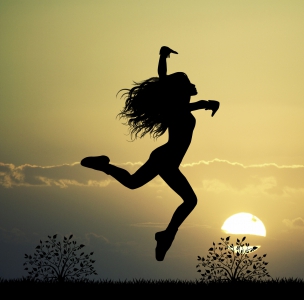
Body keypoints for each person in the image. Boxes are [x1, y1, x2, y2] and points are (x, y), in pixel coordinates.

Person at [81, 46, 220, 261]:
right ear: (181, 89)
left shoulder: (180, 107)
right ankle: (167, 235)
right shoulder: (175, 107)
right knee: (190, 201)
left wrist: (203, 103)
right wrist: (203, 103)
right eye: (189, 82)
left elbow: (174, 91)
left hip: (166, 160)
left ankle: (103, 165)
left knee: (133, 183)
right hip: (166, 159)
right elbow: (165, 82)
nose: (193, 84)